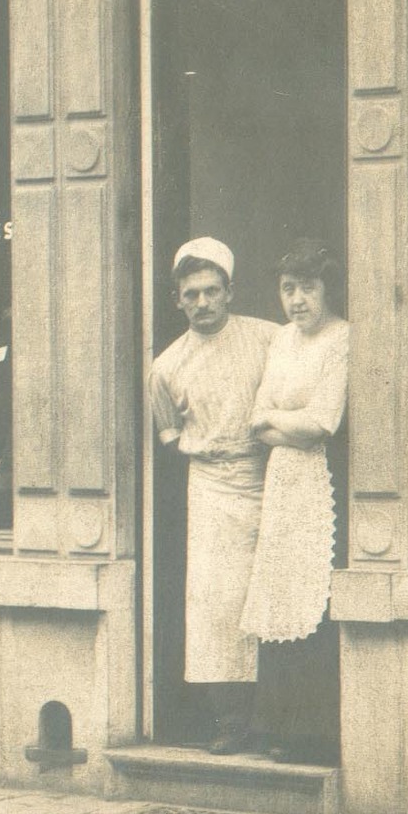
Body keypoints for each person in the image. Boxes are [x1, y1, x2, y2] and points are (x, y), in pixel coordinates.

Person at [148, 237, 279, 754]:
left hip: (268, 476)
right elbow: (169, 437)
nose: (202, 304)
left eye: (211, 291)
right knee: (215, 606)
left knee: (273, 595)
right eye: (191, 294)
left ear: (230, 292)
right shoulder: (166, 365)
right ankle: (230, 722)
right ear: (177, 300)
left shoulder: (269, 339)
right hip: (209, 486)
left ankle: (277, 722)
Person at [240, 239, 350, 764]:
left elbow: (325, 420)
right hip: (282, 480)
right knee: (280, 592)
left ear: (327, 288)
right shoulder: (281, 340)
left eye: (308, 288)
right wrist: (288, 427)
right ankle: (277, 725)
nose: (298, 300)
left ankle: (313, 731)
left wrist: (279, 424)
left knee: (313, 595)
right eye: (289, 289)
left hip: (320, 483)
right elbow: (256, 418)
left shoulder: (341, 338)